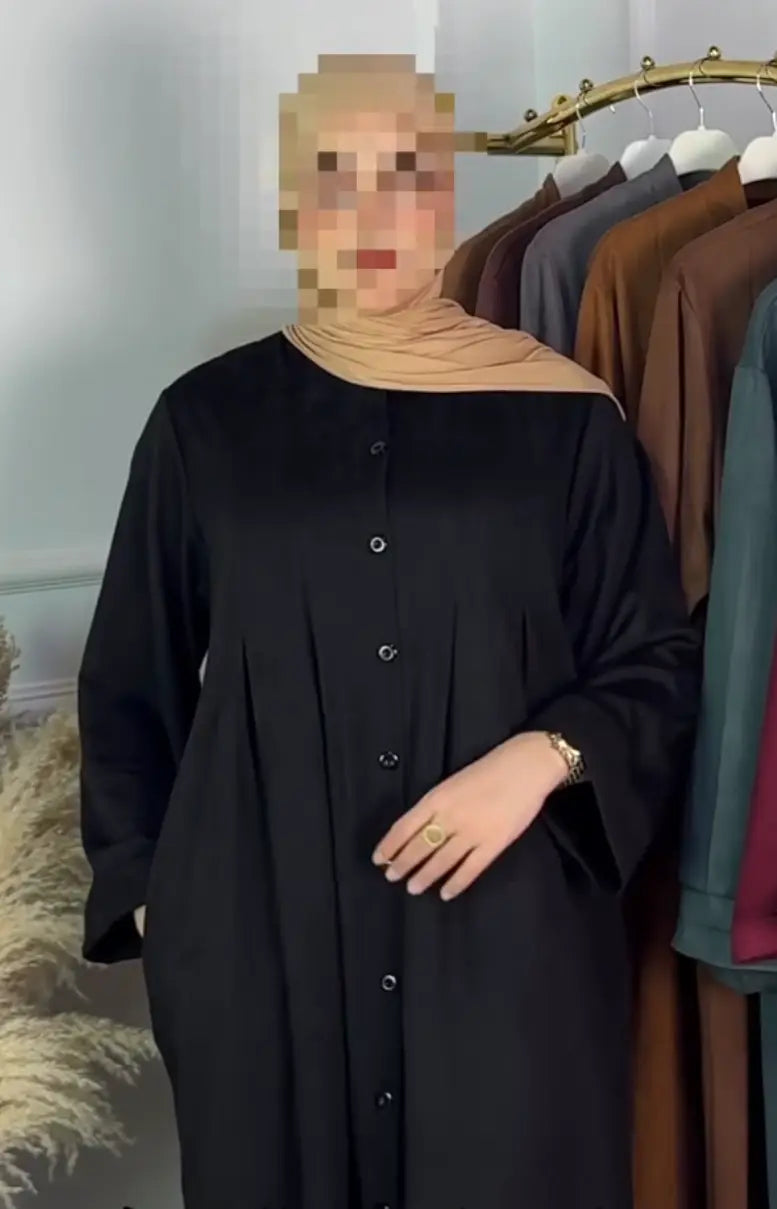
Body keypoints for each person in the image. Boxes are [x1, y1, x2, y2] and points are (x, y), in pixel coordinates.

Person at [78, 52, 701, 1209]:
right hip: (265, 955)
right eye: (335, 177)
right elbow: (129, 690)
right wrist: (173, 916)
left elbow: (655, 660)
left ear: (446, 198)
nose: (371, 215)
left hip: (507, 949)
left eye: (405, 175)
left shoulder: (564, 421)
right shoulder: (204, 424)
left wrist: (541, 758)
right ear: (291, 203)